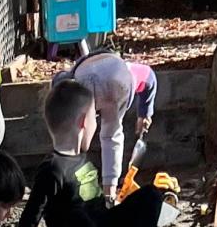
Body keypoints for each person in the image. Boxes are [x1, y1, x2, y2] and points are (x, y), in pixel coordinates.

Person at [18, 76, 165, 227]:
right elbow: (31, 216)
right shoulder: (52, 169)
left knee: (151, 195)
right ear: (83, 122)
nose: (97, 122)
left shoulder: (82, 159)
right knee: (78, 218)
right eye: (94, 117)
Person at [55, 50, 157, 204]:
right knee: (111, 135)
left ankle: (68, 182)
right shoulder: (132, 70)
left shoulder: (70, 75)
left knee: (74, 132)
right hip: (118, 80)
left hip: (84, 78)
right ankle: (110, 194)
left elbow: (60, 82)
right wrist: (145, 114)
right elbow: (150, 77)